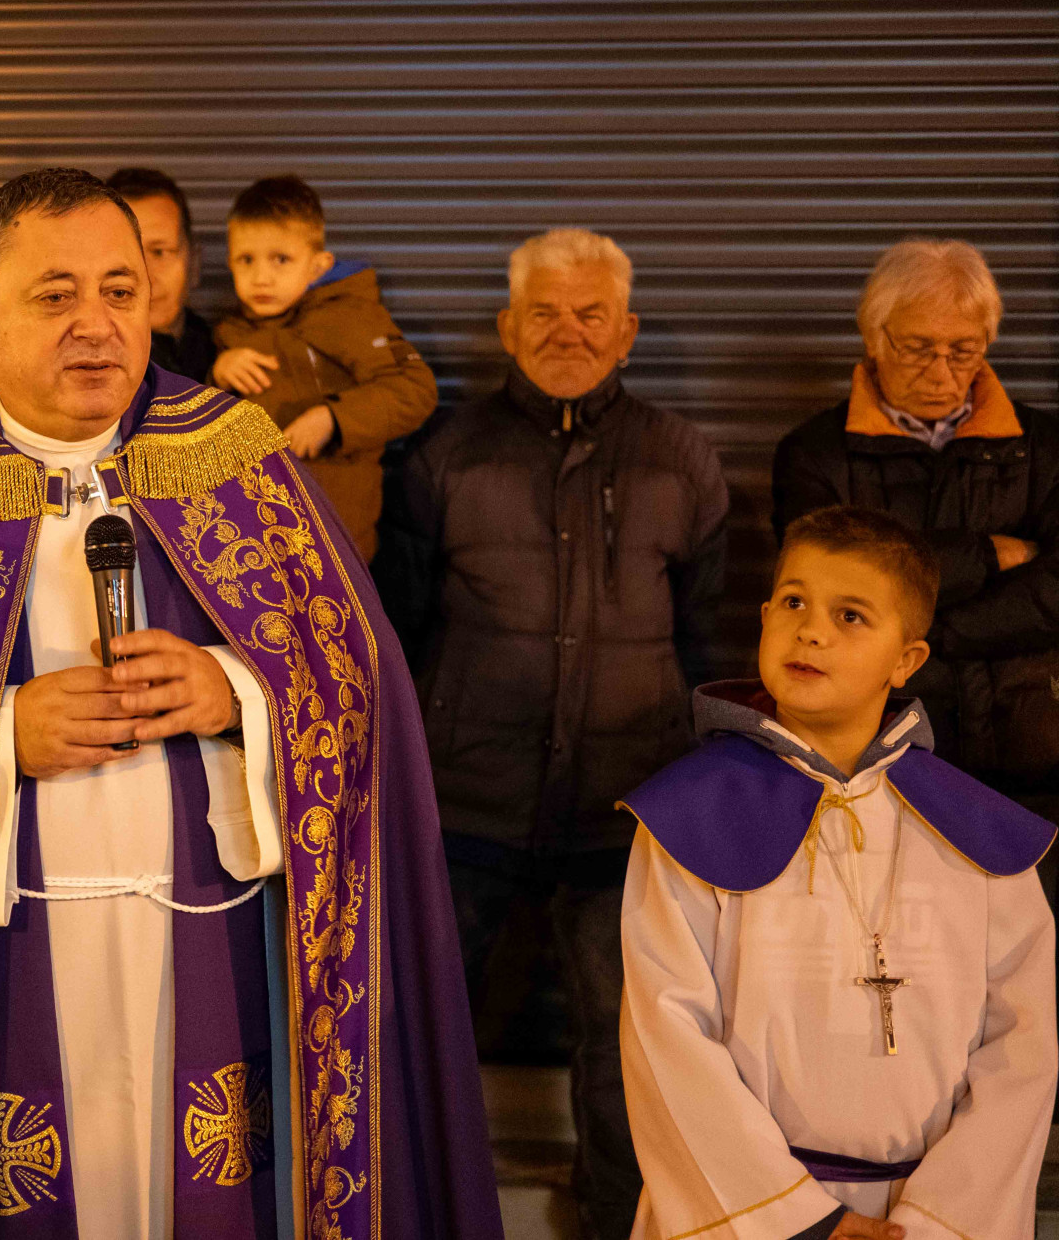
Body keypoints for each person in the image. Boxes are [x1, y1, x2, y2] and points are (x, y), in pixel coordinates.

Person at [0, 168, 500, 1240]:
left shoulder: (234, 456)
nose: (96, 324)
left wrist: (236, 690)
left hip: (214, 956)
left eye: (121, 291)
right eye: (54, 294)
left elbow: (358, 687)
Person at [391, 227, 728, 1240]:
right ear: (507, 326)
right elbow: (400, 627)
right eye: (544, 312)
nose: (566, 332)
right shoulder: (444, 456)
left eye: (590, 314)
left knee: (625, 1043)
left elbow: (704, 633)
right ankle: (416, 1212)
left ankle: (618, 1222)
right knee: (420, 1028)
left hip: (624, 805)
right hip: (466, 802)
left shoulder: (681, 457)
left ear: (626, 331)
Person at [621, 506, 1057, 1240]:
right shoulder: (689, 817)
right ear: (764, 618)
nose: (811, 631)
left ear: (906, 660)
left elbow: (1025, 1049)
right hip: (747, 1215)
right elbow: (666, 1041)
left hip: (929, 1217)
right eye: (794, 602)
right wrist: (802, 1220)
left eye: (850, 615)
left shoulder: (983, 837)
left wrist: (939, 1220)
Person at [774, 237, 1059, 801]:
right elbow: (834, 589)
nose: (940, 372)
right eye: (917, 349)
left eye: (963, 351)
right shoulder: (815, 454)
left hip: (1034, 750)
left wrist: (922, 631)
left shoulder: (1046, 447)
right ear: (874, 338)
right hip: (875, 761)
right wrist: (989, 555)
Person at [208, 175, 435, 559]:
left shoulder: (350, 317)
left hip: (336, 542)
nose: (261, 277)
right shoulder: (231, 333)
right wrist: (218, 374)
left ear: (318, 266)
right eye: (246, 260)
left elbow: (415, 389)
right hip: (256, 540)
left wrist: (334, 419)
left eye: (281, 259)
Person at [106, 167, 214, 383]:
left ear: (194, 263)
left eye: (159, 252)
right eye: (126, 255)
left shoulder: (227, 347)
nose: (146, 277)